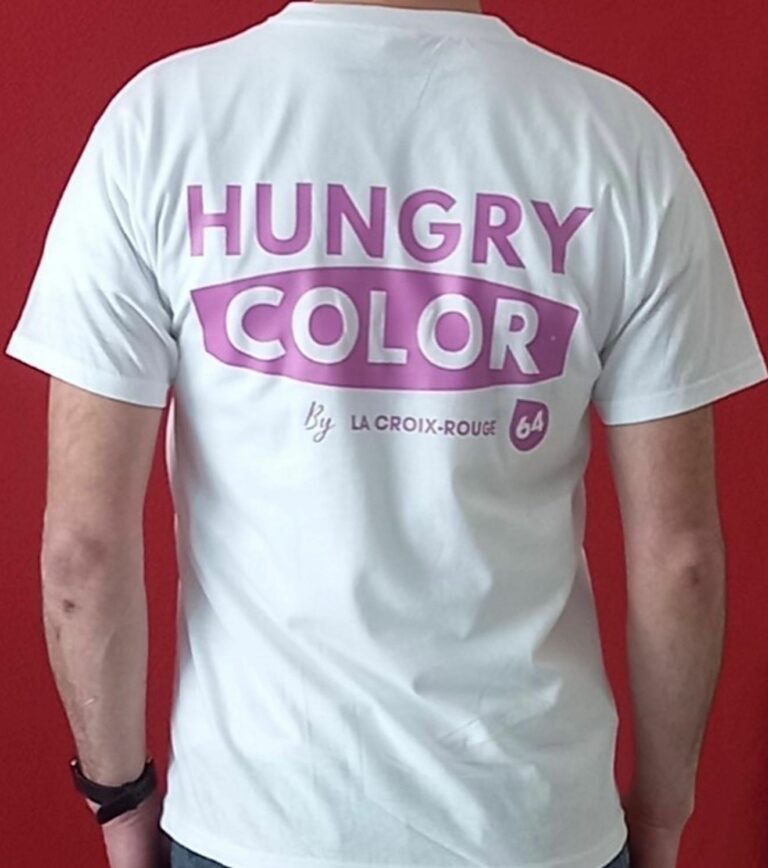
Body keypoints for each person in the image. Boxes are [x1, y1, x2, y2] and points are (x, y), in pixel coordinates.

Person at [6, 0, 767, 866]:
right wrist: (661, 818)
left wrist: (120, 805)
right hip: (537, 825)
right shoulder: (617, 143)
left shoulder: (160, 126)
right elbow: (681, 559)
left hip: (257, 824)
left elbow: (81, 553)